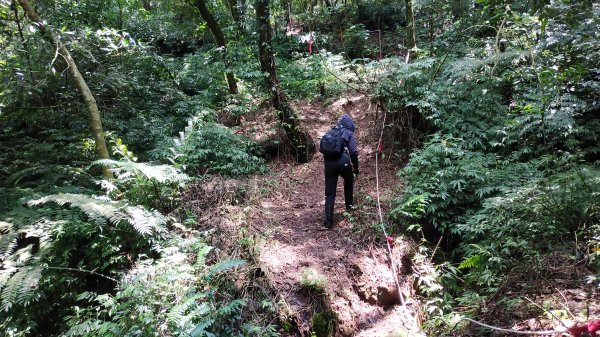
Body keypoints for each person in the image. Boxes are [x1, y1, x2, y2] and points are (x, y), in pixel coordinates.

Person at [323, 113, 359, 229]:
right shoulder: (348, 133)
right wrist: (356, 168)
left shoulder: (331, 132)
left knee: (330, 193)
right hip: (343, 162)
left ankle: (328, 222)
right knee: (348, 182)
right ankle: (349, 211)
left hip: (329, 164)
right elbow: (353, 152)